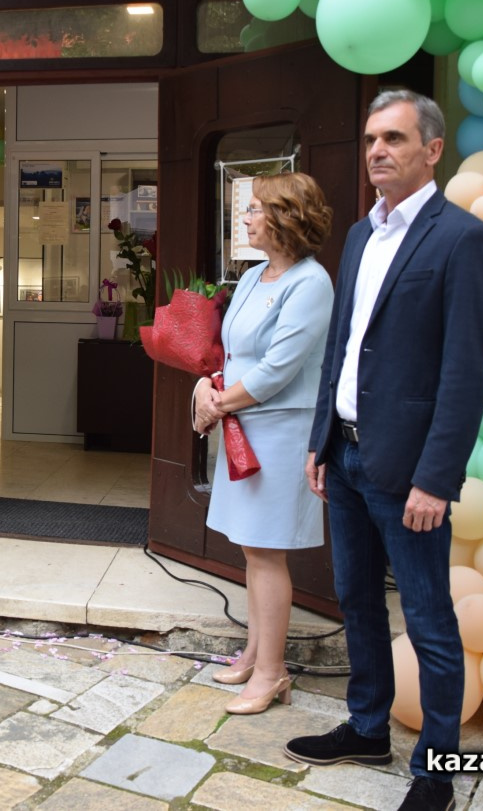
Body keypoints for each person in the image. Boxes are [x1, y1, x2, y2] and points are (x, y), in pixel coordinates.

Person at [287, 90, 483, 811]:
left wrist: (436, 478)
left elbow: (466, 373)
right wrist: (320, 439)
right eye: (372, 138)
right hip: (346, 457)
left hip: (409, 473)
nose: (378, 150)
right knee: (355, 600)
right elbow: (341, 348)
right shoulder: (359, 235)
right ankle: (367, 727)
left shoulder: (462, 239)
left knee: (429, 620)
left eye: (395, 138)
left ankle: (435, 773)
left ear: (432, 150)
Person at [192, 172, 334, 716]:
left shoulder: (311, 283)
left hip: (278, 431)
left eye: (255, 209)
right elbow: (231, 353)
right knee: (252, 548)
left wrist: (216, 405)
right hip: (242, 424)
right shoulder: (253, 276)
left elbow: (278, 370)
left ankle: (273, 674)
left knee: (267, 551)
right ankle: (255, 654)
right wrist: (208, 386)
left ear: (285, 218)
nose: (246, 218)